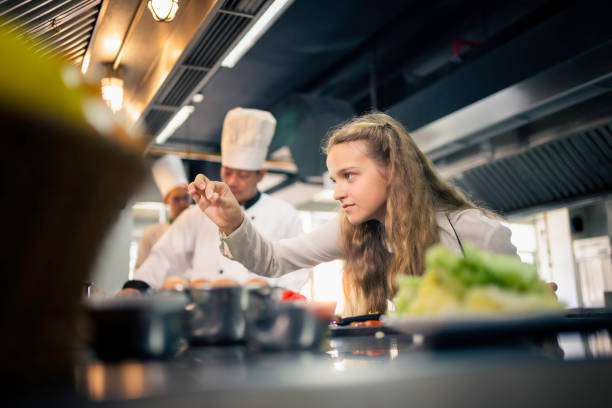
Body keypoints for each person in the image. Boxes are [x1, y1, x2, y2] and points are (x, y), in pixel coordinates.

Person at [186, 112, 522, 316]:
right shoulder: (351, 229)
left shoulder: (476, 233)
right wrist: (232, 220)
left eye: (349, 175)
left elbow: (538, 334)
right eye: (334, 179)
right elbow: (274, 259)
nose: (337, 192)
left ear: (393, 169)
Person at [126, 108, 310, 292]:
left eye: (243, 175)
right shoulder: (197, 214)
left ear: (260, 175)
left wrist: (270, 292)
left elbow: (296, 271)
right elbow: (165, 256)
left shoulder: (285, 215)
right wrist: (136, 287)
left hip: (261, 316)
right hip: (202, 315)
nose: (232, 181)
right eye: (227, 172)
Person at [134, 155, 190, 269]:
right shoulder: (152, 233)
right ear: (165, 201)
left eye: (186, 197)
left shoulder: (198, 230)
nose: (183, 203)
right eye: (176, 199)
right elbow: (140, 271)